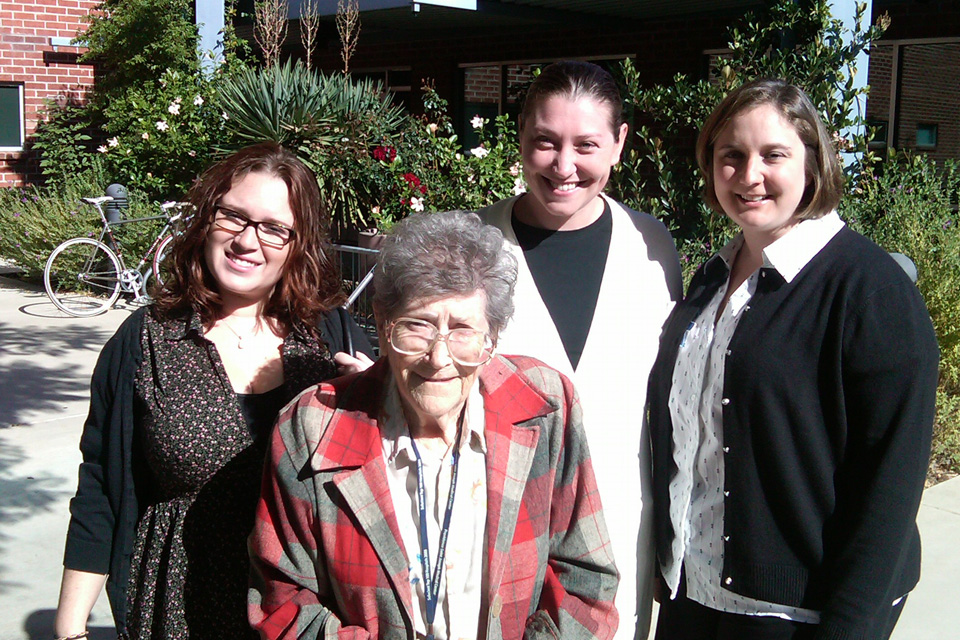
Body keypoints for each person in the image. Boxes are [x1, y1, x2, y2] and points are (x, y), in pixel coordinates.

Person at [647, 79, 939, 639]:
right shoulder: (711, 279)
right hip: (693, 595)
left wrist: (851, 626)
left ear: (812, 163)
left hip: (792, 616)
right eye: (731, 156)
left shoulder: (868, 290)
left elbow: (890, 484)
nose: (749, 175)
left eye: (773, 155)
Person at [54, 142, 376, 640]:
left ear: (298, 244)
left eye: (273, 227)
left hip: (308, 611)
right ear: (207, 220)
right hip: (180, 606)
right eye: (234, 217)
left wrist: (381, 401)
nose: (248, 241)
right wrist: (71, 626)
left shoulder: (329, 337)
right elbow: (100, 486)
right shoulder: (144, 340)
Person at [248, 211, 619, 640]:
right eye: (417, 327)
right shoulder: (313, 428)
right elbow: (283, 601)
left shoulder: (545, 407)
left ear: (491, 337)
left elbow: (587, 578)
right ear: (383, 326)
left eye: (462, 329)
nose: (439, 359)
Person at [478, 60, 682, 639]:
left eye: (585, 145)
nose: (564, 166)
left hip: (621, 534)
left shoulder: (652, 247)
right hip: (501, 541)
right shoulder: (470, 246)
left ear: (619, 143)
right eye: (546, 142)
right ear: (520, 137)